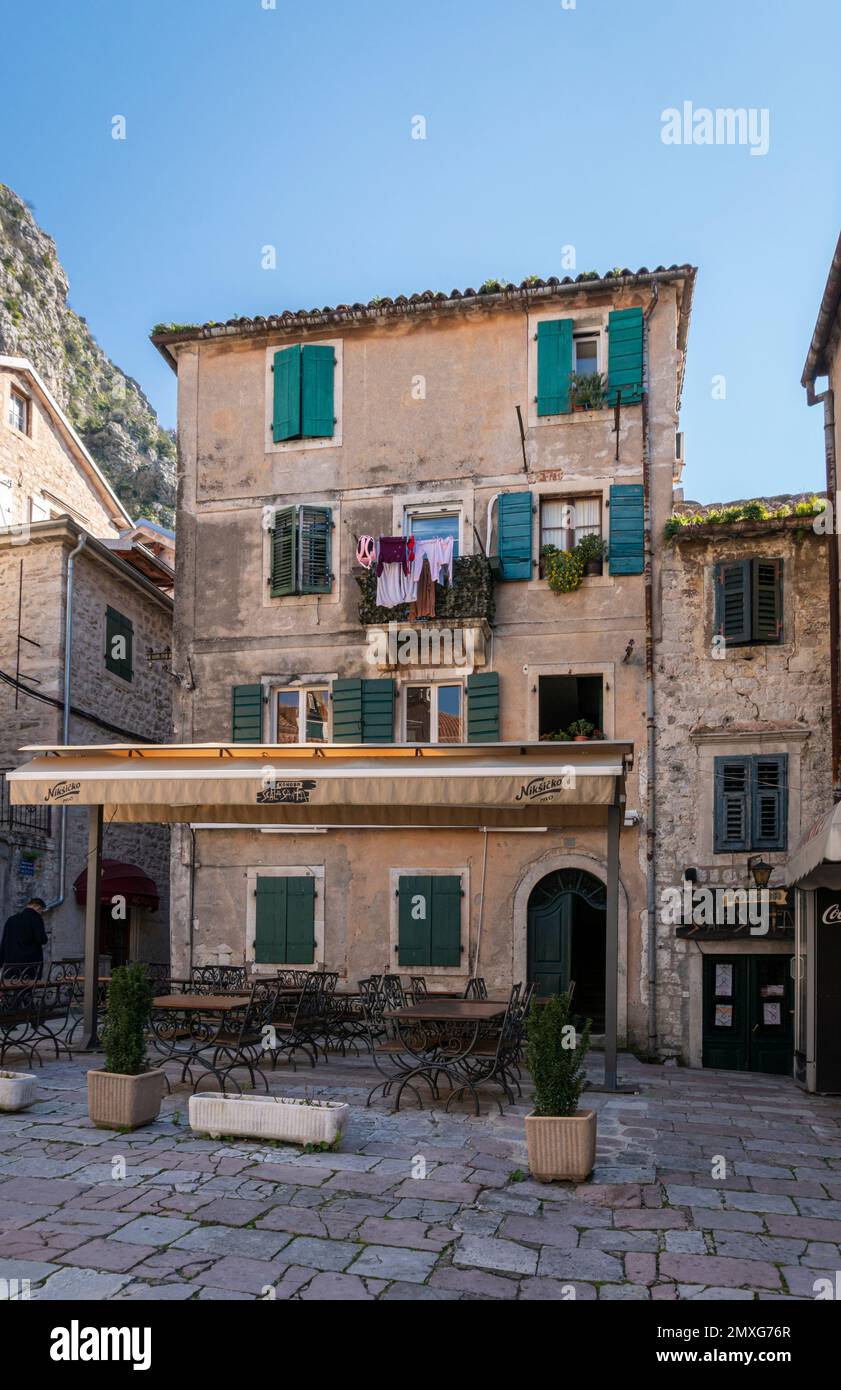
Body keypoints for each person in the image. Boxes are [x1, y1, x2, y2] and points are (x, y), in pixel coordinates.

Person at [0, 897, 48, 975]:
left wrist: (1, 962)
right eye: (41, 911)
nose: (40, 913)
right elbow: (42, 939)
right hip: (29, 966)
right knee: (28, 987)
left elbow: (4, 942)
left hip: (10, 965)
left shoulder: (11, 920)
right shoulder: (36, 918)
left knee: (11, 986)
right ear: (38, 907)